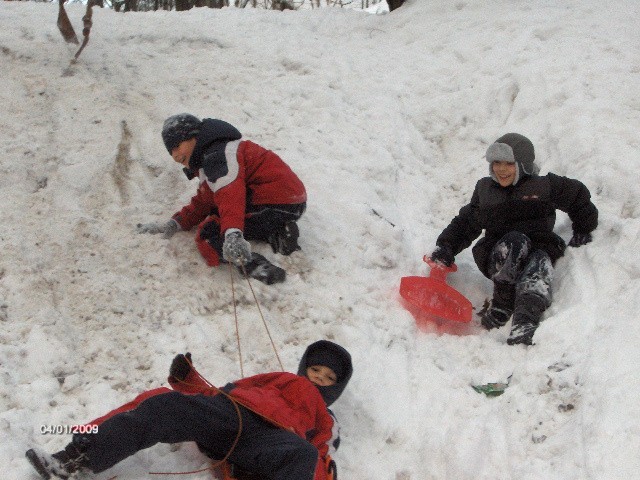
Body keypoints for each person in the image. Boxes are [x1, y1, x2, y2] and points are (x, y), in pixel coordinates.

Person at [26, 340, 353, 480]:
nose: (320, 381)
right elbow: (223, 393)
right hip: (231, 416)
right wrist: (189, 381)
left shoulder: (326, 418)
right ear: (304, 368)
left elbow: (320, 457)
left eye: (328, 379)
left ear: (336, 388)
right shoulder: (280, 379)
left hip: (269, 443)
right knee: (164, 405)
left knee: (302, 456)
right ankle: (75, 459)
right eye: (316, 372)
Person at [429, 133, 598, 345]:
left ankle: (525, 320)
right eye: (496, 163)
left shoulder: (543, 187)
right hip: (498, 254)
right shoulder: (486, 191)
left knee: (539, 263)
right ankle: (502, 305)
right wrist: (446, 247)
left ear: (523, 164)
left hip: (537, 247)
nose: (501, 169)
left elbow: (577, 195)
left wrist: (584, 226)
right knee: (515, 241)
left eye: (508, 163)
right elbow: (466, 223)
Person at [137, 114, 307, 285]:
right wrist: (176, 222)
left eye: (176, 146)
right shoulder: (215, 154)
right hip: (288, 202)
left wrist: (232, 234)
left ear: (194, 136)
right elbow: (206, 200)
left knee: (209, 233)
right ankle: (277, 232)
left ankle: (254, 265)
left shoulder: (217, 156)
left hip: (272, 200)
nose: (174, 155)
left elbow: (230, 195)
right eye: (170, 151)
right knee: (219, 211)